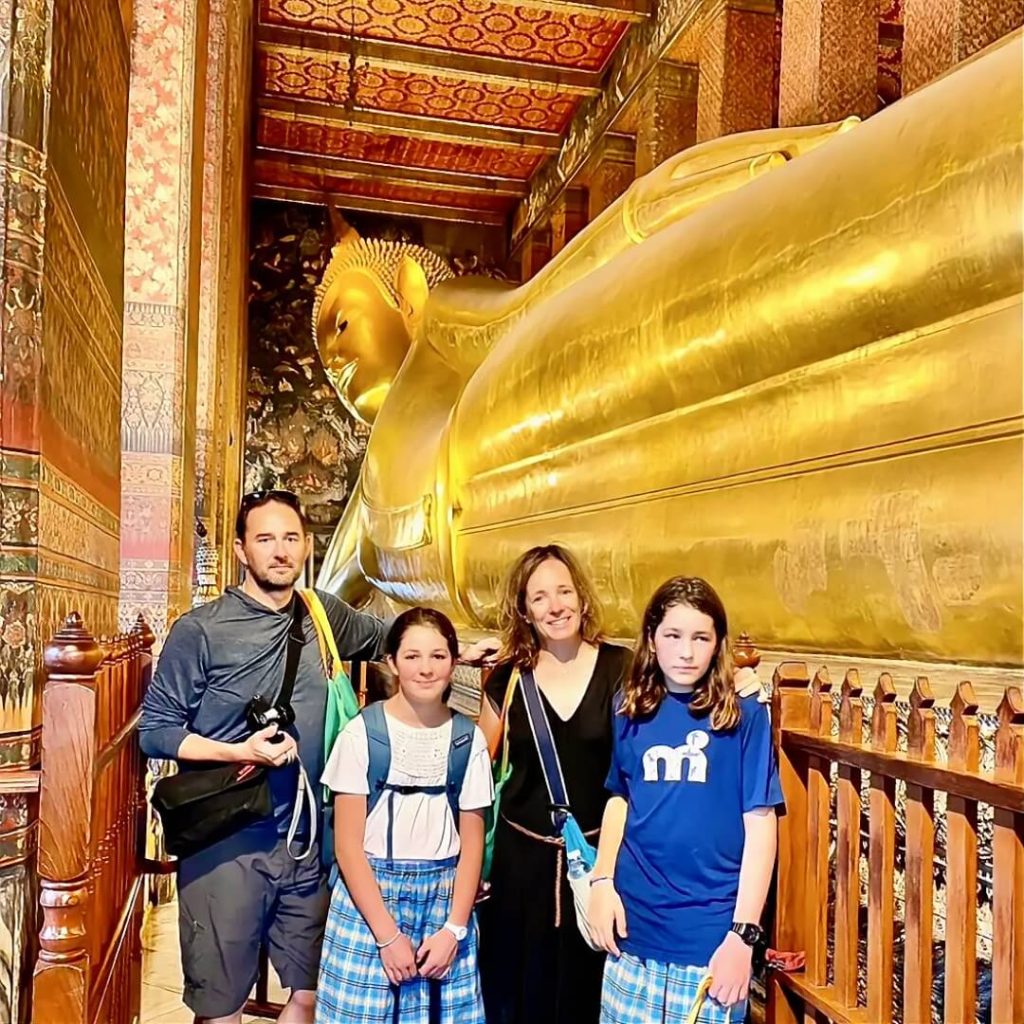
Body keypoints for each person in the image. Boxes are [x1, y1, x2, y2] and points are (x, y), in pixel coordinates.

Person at [138, 489, 492, 1024]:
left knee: (308, 992)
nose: (280, 551)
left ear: (306, 546)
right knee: (222, 1003)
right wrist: (239, 750)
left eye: (290, 538)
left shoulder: (320, 615)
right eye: (265, 539)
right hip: (227, 841)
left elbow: (392, 640)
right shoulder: (201, 630)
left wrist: (459, 650)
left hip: (307, 841)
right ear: (241, 550)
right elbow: (156, 731)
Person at [589, 576, 784, 1024]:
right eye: (673, 636)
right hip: (632, 927)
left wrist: (743, 935)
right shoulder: (629, 707)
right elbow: (620, 798)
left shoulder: (743, 714)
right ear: (652, 639)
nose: (686, 652)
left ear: (718, 644)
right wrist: (601, 882)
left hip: (709, 939)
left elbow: (760, 823)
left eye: (701, 638)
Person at [477, 545, 633, 1024]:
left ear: (582, 598)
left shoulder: (622, 669)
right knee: (518, 996)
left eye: (564, 591)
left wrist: (742, 685)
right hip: (520, 867)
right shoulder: (507, 679)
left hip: (600, 861)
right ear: (524, 610)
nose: (555, 606)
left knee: (593, 996)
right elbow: (477, 771)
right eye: (540, 597)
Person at [316, 607, 492, 1023]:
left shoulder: (468, 741)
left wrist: (454, 930)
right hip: (370, 903)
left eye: (438, 656)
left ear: (454, 661)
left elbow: (472, 845)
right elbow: (347, 846)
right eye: (412, 656)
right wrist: (387, 936)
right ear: (392, 662)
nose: (426, 669)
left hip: (444, 904)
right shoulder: (361, 734)